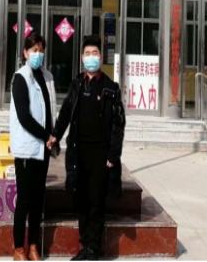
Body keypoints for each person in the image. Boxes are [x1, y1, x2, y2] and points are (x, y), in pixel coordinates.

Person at [50, 35, 126, 261]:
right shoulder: (76, 85)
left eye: (94, 53)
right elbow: (66, 113)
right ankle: (85, 246)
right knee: (81, 200)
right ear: (82, 58)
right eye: (87, 54)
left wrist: (113, 154)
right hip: (78, 152)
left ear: (101, 57)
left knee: (96, 201)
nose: (91, 57)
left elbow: (118, 124)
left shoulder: (110, 88)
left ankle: (94, 248)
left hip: (100, 154)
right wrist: (55, 135)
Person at [10, 32, 58, 261]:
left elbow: (50, 109)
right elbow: (24, 117)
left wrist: (53, 137)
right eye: (33, 50)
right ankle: (19, 248)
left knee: (38, 200)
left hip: (44, 148)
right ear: (25, 53)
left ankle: (33, 247)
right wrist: (46, 136)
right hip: (28, 148)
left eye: (40, 50)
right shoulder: (21, 78)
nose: (37, 54)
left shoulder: (47, 77)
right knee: (25, 200)